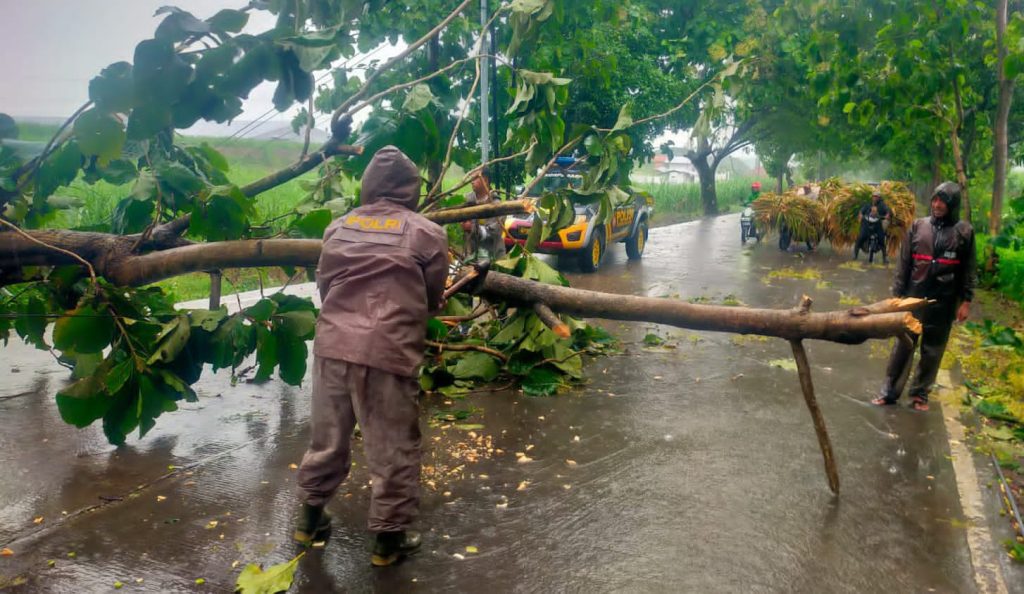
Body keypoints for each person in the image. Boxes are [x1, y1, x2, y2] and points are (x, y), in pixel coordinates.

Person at [294, 146, 449, 566]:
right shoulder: (428, 233)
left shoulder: (337, 227)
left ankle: (308, 521)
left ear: (367, 187)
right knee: (393, 447)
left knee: (327, 440)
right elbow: (434, 299)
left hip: (332, 346)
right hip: (387, 352)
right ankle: (387, 542)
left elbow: (326, 286)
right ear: (410, 189)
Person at [872, 181, 975, 412]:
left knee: (932, 350)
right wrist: (897, 296)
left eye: (943, 201)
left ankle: (920, 394)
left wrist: (966, 301)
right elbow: (904, 264)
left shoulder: (964, 232)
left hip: (944, 302)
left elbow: (969, 269)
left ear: (952, 205)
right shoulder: (918, 227)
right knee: (903, 346)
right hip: (913, 298)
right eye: (935, 200)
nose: (937, 205)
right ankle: (888, 393)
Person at [461, 166, 507, 262]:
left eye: (475, 178)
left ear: (485, 180)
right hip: (471, 256)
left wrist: (472, 228)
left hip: (492, 258)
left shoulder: (496, 204)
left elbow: (494, 232)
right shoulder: (467, 200)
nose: (471, 182)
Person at [853, 190, 891, 262]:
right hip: (866, 223)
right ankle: (855, 255)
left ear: (879, 198)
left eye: (876, 196)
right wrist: (860, 215)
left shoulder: (882, 205)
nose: (874, 198)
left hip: (877, 224)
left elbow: (887, 211)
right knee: (860, 237)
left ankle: (884, 258)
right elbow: (862, 211)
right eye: (873, 196)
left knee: (881, 239)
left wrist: (887, 215)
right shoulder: (868, 204)